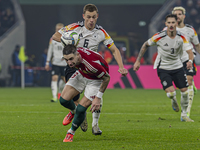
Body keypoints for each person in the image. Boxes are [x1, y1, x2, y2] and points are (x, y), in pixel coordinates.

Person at [52, 4, 128, 135]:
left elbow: (114, 49)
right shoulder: (75, 27)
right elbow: (56, 36)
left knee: (97, 95)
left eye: (93, 17)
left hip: (91, 67)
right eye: (88, 17)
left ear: (97, 16)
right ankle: (79, 115)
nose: (91, 20)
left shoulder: (101, 32)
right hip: (74, 65)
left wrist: (121, 67)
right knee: (74, 98)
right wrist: (69, 41)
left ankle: (95, 125)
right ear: (84, 17)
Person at [134, 14, 194, 122]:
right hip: (163, 68)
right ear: (166, 24)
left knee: (185, 91)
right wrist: (138, 61)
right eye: (169, 23)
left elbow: (190, 51)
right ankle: (173, 100)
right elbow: (145, 45)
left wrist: (190, 61)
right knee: (171, 93)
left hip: (178, 67)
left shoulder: (182, 37)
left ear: (176, 23)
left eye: (173, 22)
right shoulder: (159, 36)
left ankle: (184, 115)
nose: (171, 25)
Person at [60, 44, 110, 142]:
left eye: (71, 59)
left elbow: (107, 77)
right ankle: (73, 112)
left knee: (81, 109)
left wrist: (98, 97)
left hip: (96, 80)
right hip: (82, 74)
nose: (69, 63)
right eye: (66, 60)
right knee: (63, 100)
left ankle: (70, 133)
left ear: (77, 55)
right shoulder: (75, 55)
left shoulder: (91, 64)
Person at [172, 6, 200, 117]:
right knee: (180, 85)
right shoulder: (168, 29)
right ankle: (191, 85)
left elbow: (197, 45)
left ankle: (187, 112)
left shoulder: (190, 30)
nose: (177, 16)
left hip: (189, 58)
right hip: (175, 60)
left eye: (179, 14)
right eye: (175, 14)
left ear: (183, 16)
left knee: (188, 81)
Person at [45, 23, 66, 102]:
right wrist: (47, 62)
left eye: (60, 29)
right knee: (54, 78)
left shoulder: (67, 38)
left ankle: (60, 92)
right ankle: (54, 97)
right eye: (57, 29)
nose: (58, 31)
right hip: (55, 62)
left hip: (64, 63)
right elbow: (50, 50)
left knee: (64, 80)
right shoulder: (52, 39)